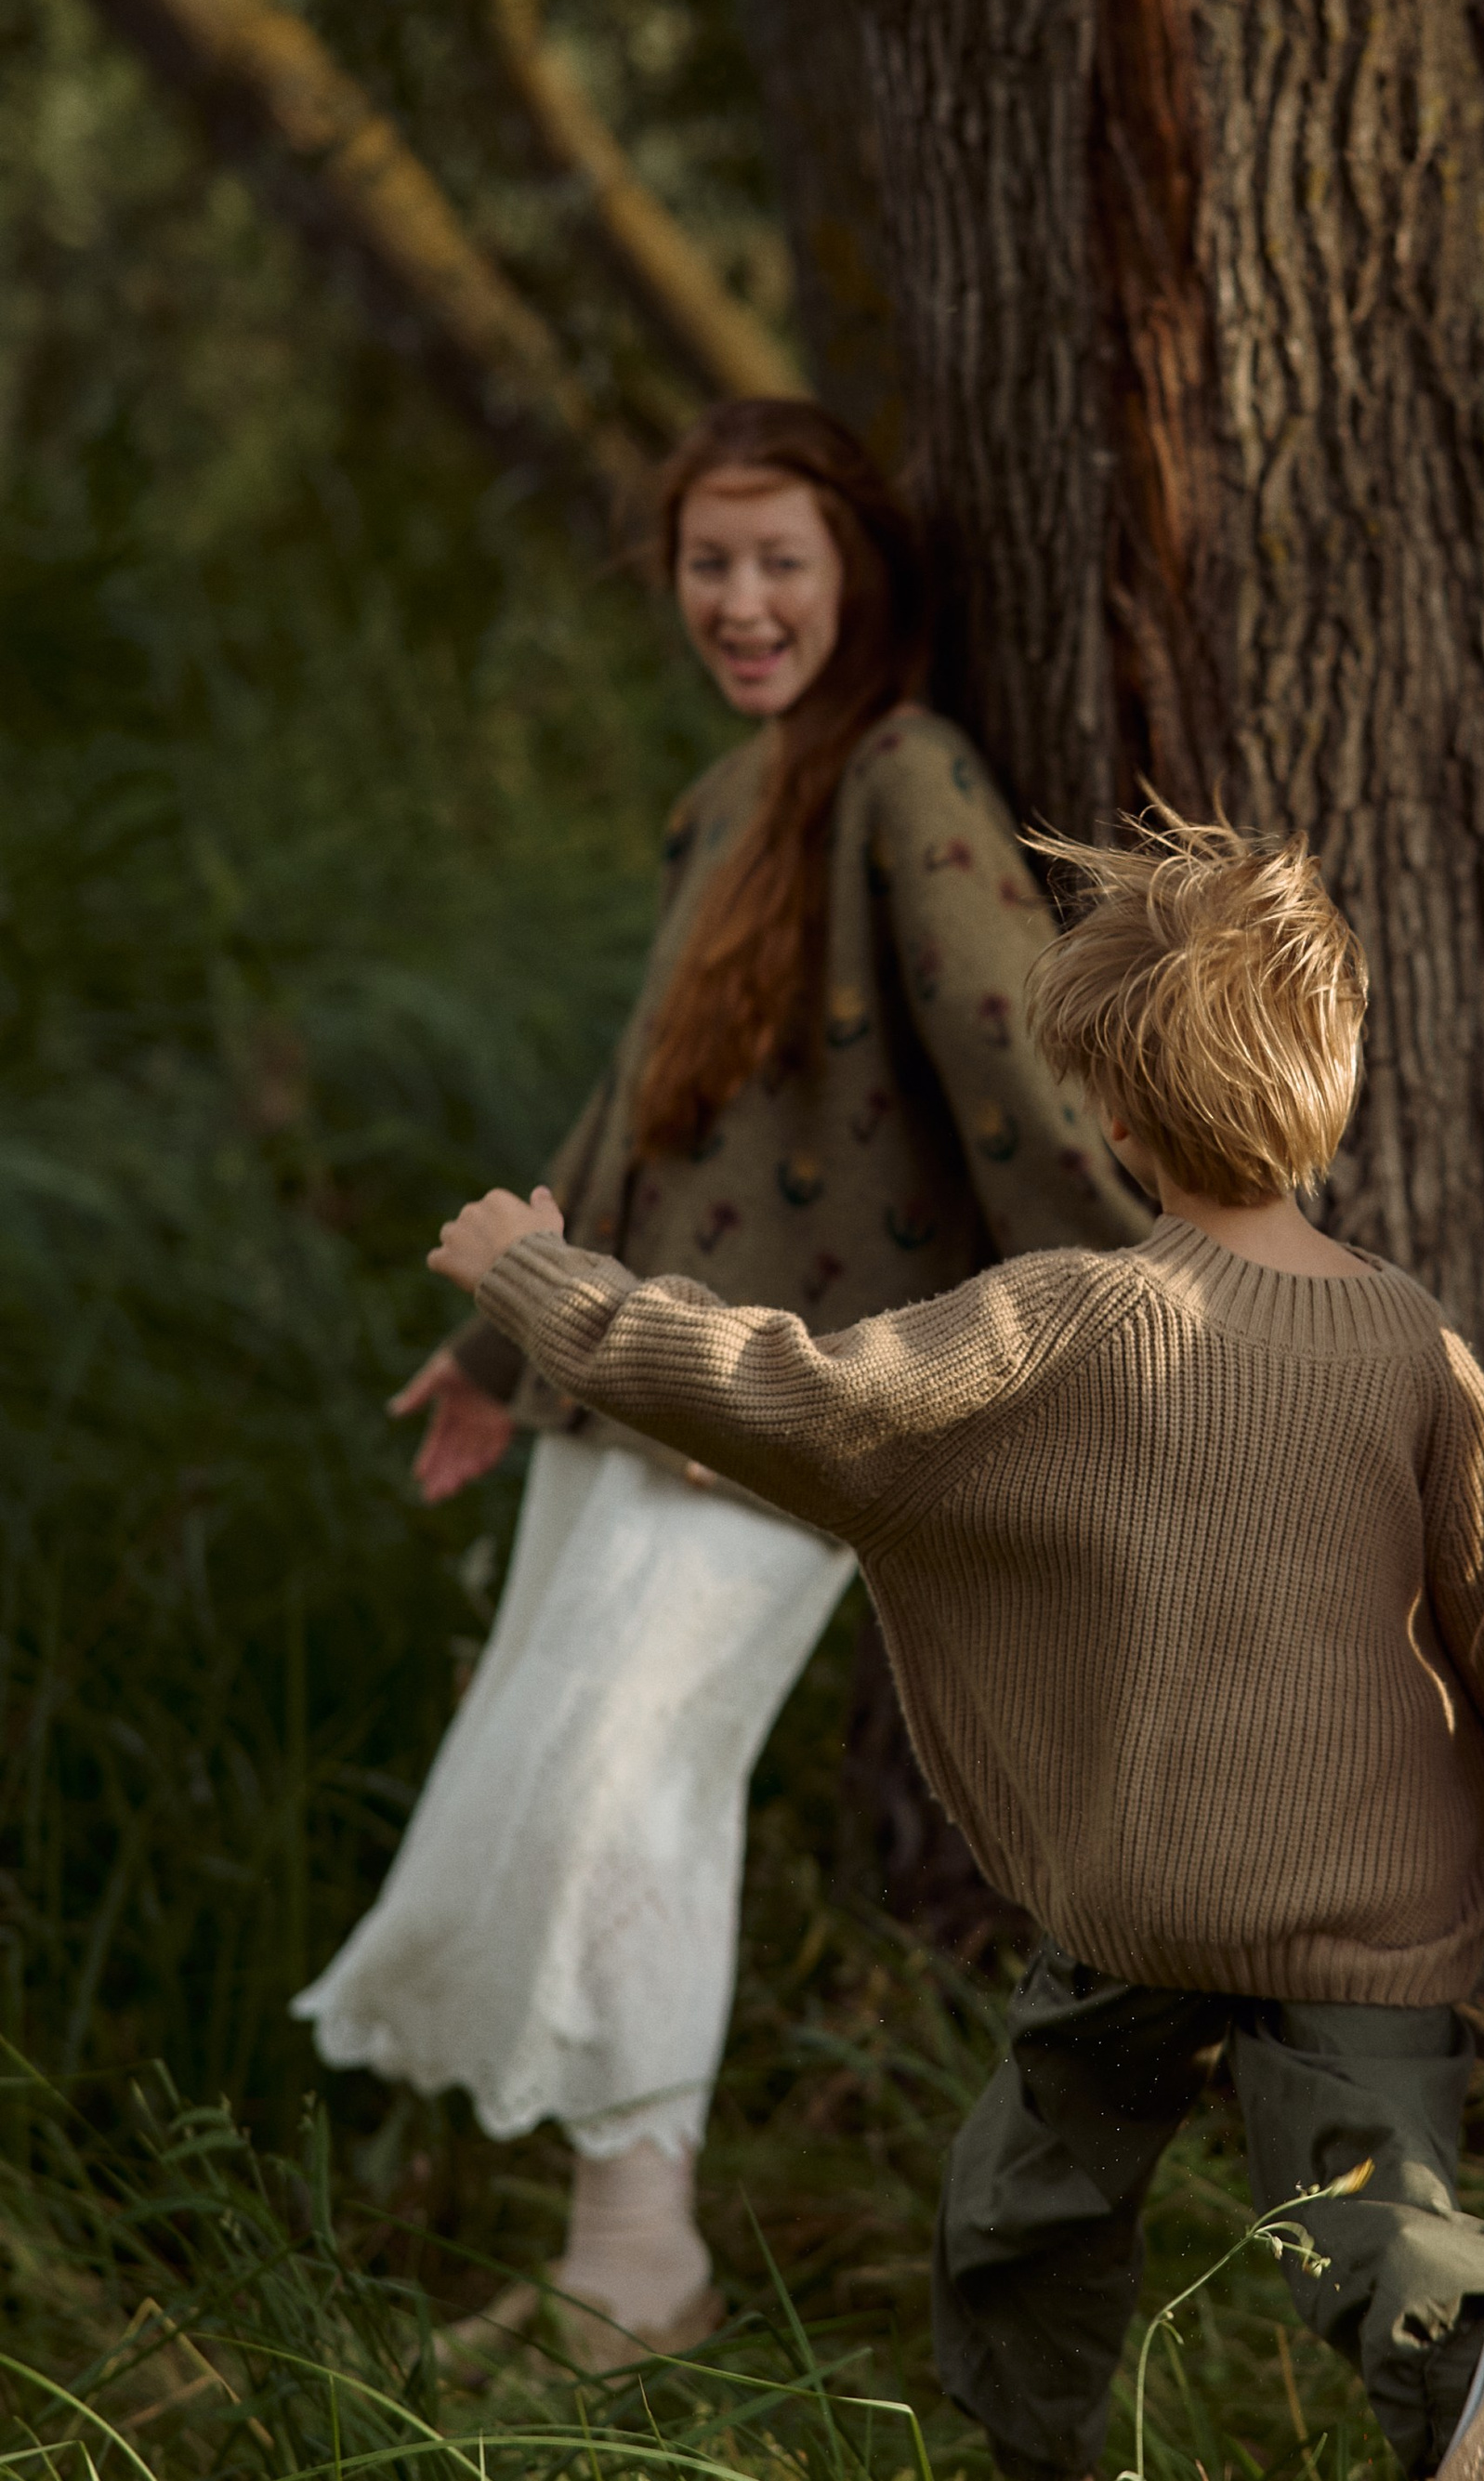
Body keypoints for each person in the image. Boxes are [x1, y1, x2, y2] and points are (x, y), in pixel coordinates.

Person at [424, 812, 1484, 2481]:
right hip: (1369, 1916)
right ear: (1333, 1092)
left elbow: (799, 1395)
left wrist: (542, 1278)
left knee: (1030, 2197)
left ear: (1112, 1119)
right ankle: (1469, 2386)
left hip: (1135, 1902)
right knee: (1369, 2203)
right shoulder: (1411, 1342)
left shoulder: (1073, 1320)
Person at [295, 398, 1145, 2369]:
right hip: (624, 1371)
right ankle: (626, 2254)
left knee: (623, 1788)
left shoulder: (906, 781)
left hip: (793, 1388)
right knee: (563, 1785)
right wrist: (503, 1345)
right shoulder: (727, 798)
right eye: (708, 562)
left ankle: (638, 2268)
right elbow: (632, 1113)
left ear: (855, 574)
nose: (742, 601)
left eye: (781, 561)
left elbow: (1012, 1066)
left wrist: (1158, 1308)